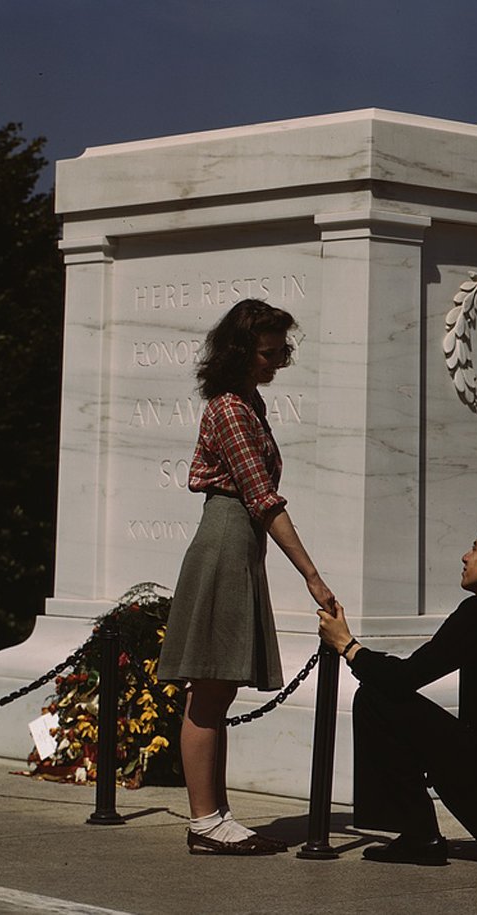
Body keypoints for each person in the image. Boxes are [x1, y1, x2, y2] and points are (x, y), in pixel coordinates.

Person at [159, 298, 338, 856]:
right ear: (240, 350)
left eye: (283, 350)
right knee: (210, 688)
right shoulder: (233, 409)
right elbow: (263, 500)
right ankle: (206, 821)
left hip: (237, 544)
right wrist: (312, 575)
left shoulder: (246, 403)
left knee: (218, 687)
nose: (279, 361)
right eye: (270, 351)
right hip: (227, 541)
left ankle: (214, 816)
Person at [317, 516, 477, 866]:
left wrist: (347, 645)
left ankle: (419, 836)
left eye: (474, 549)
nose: (465, 558)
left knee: (375, 698)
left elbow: (405, 678)